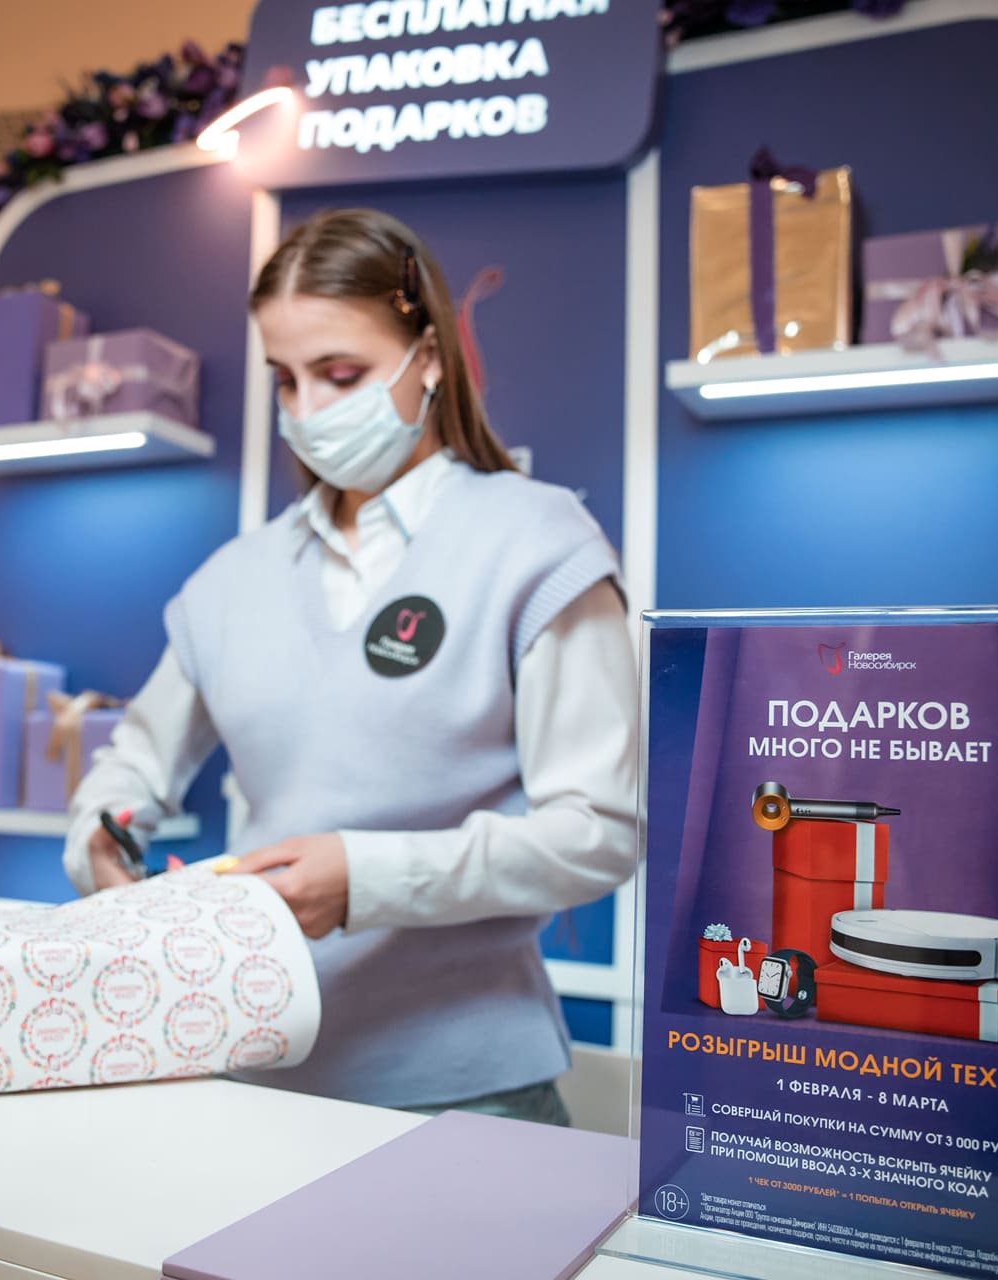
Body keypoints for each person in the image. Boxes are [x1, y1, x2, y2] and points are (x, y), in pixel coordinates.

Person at [64, 209, 638, 1123]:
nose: (307, 412)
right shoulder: (232, 580)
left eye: (341, 375)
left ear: (430, 357)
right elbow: (132, 764)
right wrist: (101, 834)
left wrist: (366, 878)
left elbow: (596, 832)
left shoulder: (536, 543)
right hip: (253, 1075)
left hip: (470, 1093)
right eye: (284, 380)